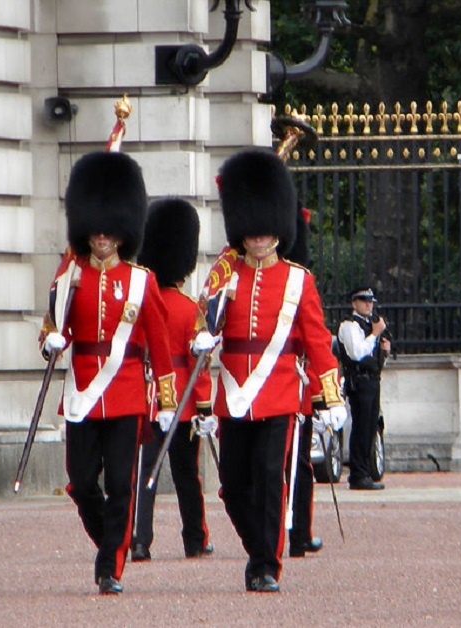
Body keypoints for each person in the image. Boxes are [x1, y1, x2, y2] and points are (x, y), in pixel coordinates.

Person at [204, 149, 347, 593]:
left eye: (266, 233)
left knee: (271, 478)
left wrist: (331, 393)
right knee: (231, 484)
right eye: (252, 233)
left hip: (279, 388)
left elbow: (316, 338)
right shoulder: (223, 273)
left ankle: (266, 563)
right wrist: (201, 334)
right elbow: (202, 321)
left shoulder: (298, 279)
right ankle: (258, 547)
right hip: (233, 389)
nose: (260, 240)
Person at [39, 151, 177, 596]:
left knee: (121, 483)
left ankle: (110, 567)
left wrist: (169, 402)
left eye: (110, 229)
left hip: (126, 392)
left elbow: (159, 344)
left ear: (123, 232)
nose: (101, 236)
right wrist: (50, 342)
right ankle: (112, 546)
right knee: (81, 483)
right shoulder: (70, 277)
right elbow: (50, 328)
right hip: (82, 390)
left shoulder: (141, 281)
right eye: (95, 228)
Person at [130, 198, 216, 562]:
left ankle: (139, 540)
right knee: (187, 477)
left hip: (147, 401)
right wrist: (203, 406)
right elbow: (199, 366)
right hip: (181, 406)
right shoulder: (189, 309)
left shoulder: (138, 306)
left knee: (143, 475)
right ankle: (194, 539)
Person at [286, 209, 324, 557]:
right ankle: (298, 532)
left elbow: (315, 342)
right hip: (293, 389)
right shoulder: (299, 280)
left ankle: (298, 532)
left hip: (295, 387)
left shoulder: (296, 280)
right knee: (297, 466)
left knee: (294, 465)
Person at [337, 286, 391, 490]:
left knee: (370, 427)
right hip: (359, 381)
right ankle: (358, 474)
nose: (368, 304)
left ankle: (366, 471)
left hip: (372, 380)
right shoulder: (349, 325)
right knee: (360, 427)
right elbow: (356, 353)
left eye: (370, 301)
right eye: (363, 300)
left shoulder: (370, 325)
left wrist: (384, 350)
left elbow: (374, 357)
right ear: (354, 303)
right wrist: (374, 334)